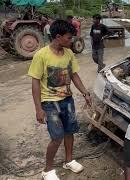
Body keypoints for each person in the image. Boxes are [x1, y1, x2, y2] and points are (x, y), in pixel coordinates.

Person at [28, 20, 92, 180]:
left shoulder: (69, 53)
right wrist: (38, 108)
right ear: (58, 37)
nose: (72, 41)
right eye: (69, 38)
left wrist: (85, 92)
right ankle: (47, 170)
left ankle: (68, 161)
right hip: (50, 103)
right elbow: (35, 82)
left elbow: (74, 75)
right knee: (57, 137)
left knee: (70, 132)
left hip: (67, 101)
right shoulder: (41, 55)